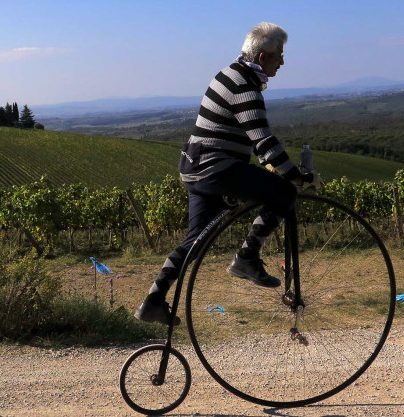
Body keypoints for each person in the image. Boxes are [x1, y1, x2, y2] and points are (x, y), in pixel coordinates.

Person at [134, 22, 315, 325]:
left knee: (196, 241)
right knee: (284, 193)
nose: (282, 62)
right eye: (278, 56)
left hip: (196, 167)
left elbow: (243, 139)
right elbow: (264, 142)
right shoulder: (244, 85)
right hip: (215, 169)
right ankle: (246, 257)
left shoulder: (229, 73)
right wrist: (296, 176)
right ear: (261, 58)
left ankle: (153, 299)